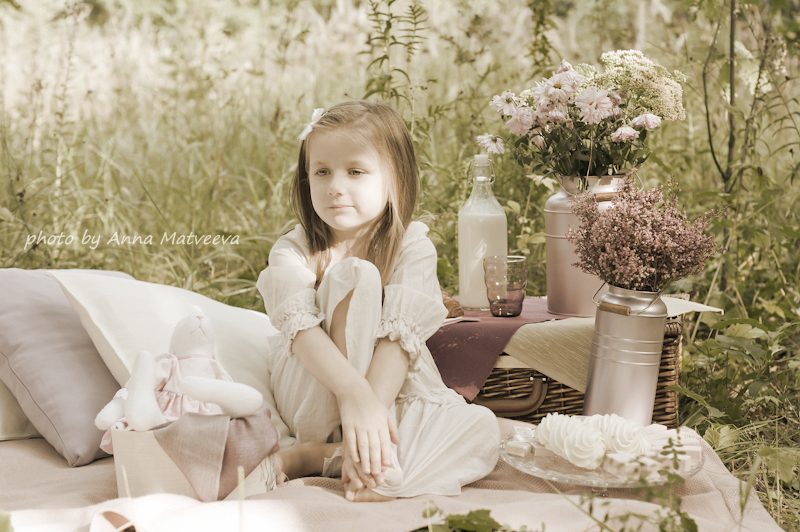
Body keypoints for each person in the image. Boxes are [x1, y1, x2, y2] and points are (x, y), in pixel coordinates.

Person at [256, 100, 500, 502]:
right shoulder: (293, 249)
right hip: (317, 387)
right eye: (321, 171)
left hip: (385, 391)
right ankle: (370, 461)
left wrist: (370, 406)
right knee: (358, 275)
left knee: (483, 430)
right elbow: (301, 332)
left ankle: (332, 457)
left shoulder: (412, 246)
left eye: (355, 171)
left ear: (394, 179)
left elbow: (398, 342)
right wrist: (354, 395)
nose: (335, 186)